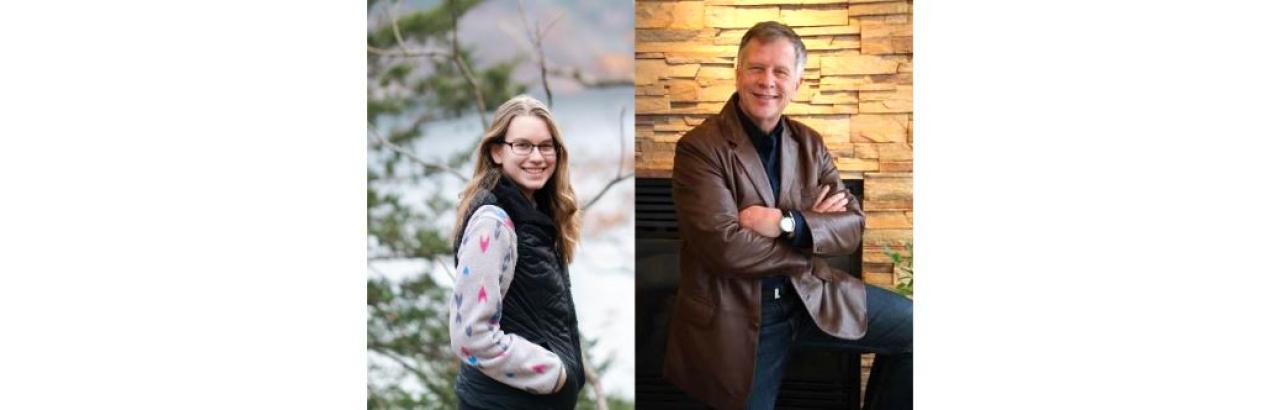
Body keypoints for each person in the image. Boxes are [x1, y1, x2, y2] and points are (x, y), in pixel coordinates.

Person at [663, 21, 913, 410]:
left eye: (780, 71)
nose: (768, 81)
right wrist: (810, 239)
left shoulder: (809, 142)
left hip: (810, 294)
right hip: (738, 313)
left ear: (796, 82)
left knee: (917, 327)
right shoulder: (700, 148)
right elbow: (724, 248)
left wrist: (787, 223)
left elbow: (852, 227)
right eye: (757, 68)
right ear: (738, 73)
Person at [448, 95, 585, 409]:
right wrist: (554, 374)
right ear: (497, 151)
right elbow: (471, 336)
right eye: (522, 145)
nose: (536, 157)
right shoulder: (493, 223)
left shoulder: (538, 213)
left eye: (545, 146)